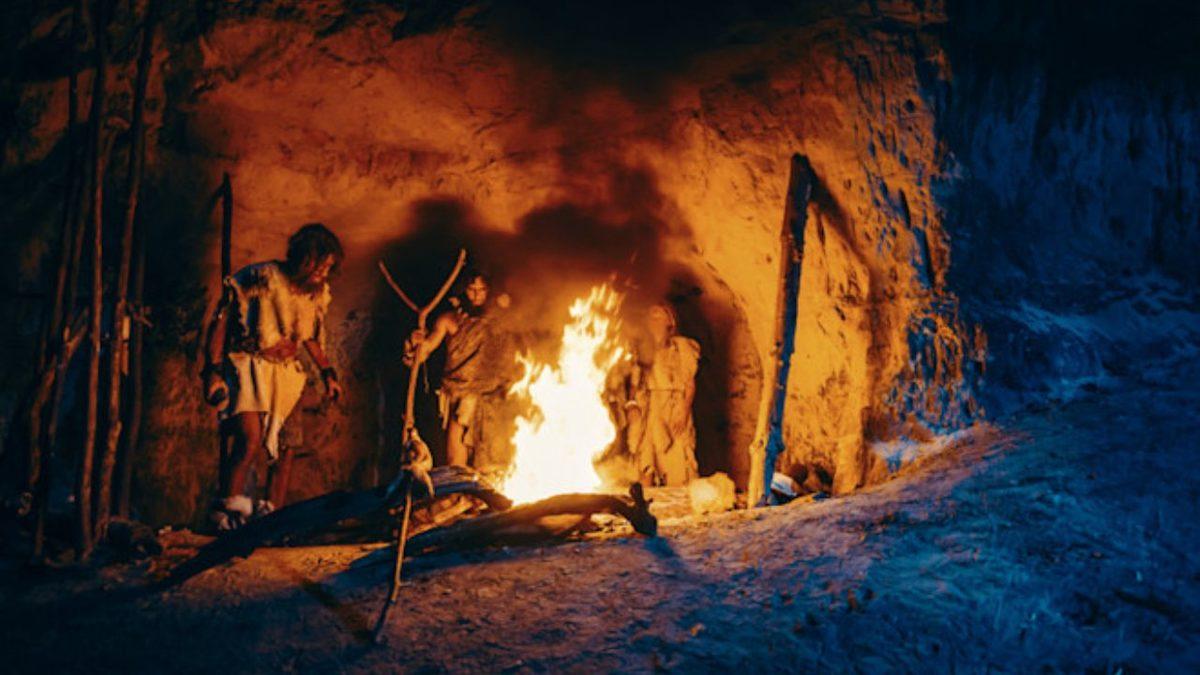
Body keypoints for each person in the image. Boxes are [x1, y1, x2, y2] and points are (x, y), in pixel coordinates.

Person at [202, 223, 344, 529]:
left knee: (286, 448)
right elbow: (222, 319)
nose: (323, 272)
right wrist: (213, 371)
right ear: (304, 258)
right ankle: (228, 514)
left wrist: (328, 372)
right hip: (250, 369)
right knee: (249, 440)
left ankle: (272, 518)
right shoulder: (262, 277)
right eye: (319, 265)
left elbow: (311, 339)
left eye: (328, 267)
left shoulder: (315, 294)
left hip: (287, 378)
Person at [404, 271, 508, 467]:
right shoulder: (448, 320)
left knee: (492, 462)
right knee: (456, 460)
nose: (477, 295)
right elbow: (426, 349)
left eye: (482, 290)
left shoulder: (501, 321)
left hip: (492, 397)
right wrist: (415, 344)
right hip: (460, 396)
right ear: (463, 290)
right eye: (472, 289)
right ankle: (458, 496)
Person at [628, 303, 700, 487]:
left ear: (671, 321)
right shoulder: (642, 349)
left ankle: (679, 501)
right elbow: (635, 383)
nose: (654, 319)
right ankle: (644, 505)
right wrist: (632, 405)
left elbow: (690, 383)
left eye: (659, 315)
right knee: (646, 456)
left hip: (674, 405)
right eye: (651, 315)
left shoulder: (682, 348)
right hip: (650, 407)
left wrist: (683, 410)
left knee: (677, 457)